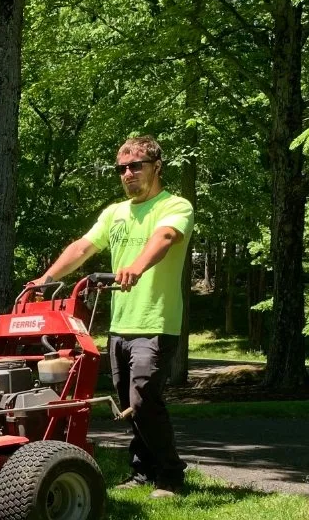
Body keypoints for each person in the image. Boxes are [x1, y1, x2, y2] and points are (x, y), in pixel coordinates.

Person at [35, 135, 194, 497]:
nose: (127, 173)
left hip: (156, 321)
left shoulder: (174, 205)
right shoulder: (115, 213)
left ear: (156, 167)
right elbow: (82, 247)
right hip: (121, 325)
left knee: (143, 397)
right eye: (122, 168)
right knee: (129, 403)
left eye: (135, 166)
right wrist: (46, 279)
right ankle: (142, 472)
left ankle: (171, 476)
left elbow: (166, 237)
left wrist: (136, 266)